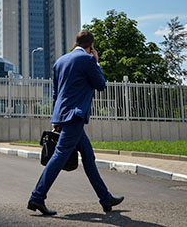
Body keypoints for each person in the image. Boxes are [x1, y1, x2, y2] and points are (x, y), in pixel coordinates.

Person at [28, 30, 124, 215]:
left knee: (88, 157)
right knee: (60, 155)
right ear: (91, 46)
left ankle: (106, 199)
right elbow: (100, 84)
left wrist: (57, 119)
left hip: (63, 115)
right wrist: (96, 61)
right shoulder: (87, 60)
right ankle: (37, 197)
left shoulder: (60, 61)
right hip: (75, 115)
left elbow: (56, 93)